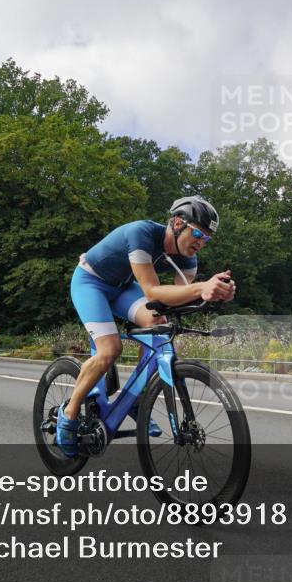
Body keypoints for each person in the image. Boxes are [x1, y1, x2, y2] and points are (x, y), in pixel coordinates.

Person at [56, 196, 236, 458]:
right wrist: (200, 287)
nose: (200, 242)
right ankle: (69, 414)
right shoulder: (141, 233)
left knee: (158, 322)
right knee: (109, 349)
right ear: (177, 223)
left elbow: (176, 298)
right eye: (197, 233)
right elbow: (152, 291)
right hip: (90, 282)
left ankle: (134, 397)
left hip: (121, 288)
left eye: (206, 238)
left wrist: (214, 293)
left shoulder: (187, 258)